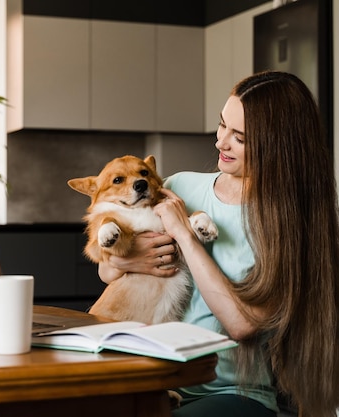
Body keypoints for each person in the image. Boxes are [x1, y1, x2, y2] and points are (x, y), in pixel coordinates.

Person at [98, 71, 339, 417]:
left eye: (239, 138)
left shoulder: (287, 225)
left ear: (277, 145)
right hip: (157, 378)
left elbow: (242, 324)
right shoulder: (179, 186)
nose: (221, 143)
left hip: (234, 394)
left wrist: (184, 234)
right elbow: (109, 270)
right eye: (222, 125)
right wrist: (125, 261)